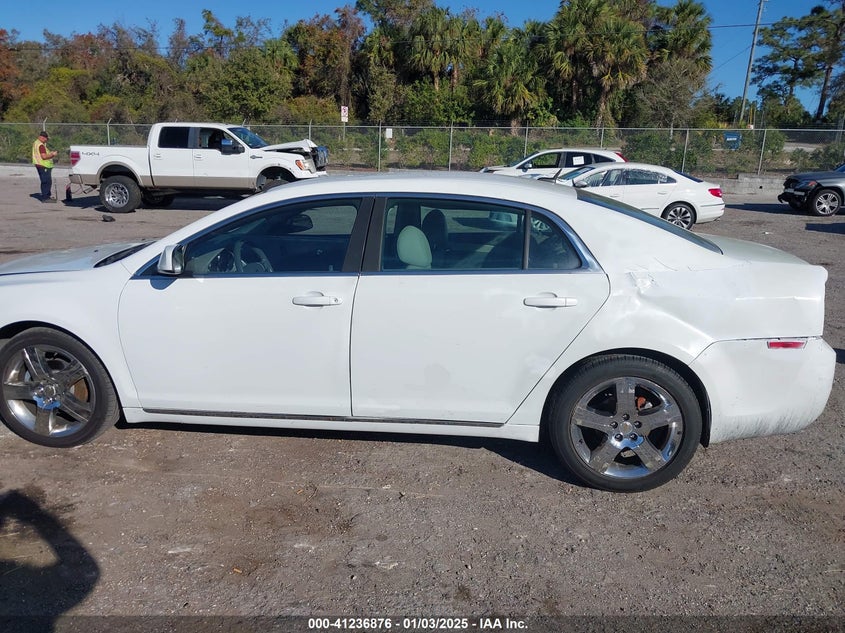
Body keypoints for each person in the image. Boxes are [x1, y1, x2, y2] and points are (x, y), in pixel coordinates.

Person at [32, 130, 58, 203]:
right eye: (47, 139)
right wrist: (52, 154)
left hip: (39, 164)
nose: (47, 140)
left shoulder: (35, 143)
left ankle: (47, 196)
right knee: (46, 182)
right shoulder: (41, 145)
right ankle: (45, 197)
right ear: (43, 138)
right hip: (44, 165)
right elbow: (44, 156)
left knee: (45, 181)